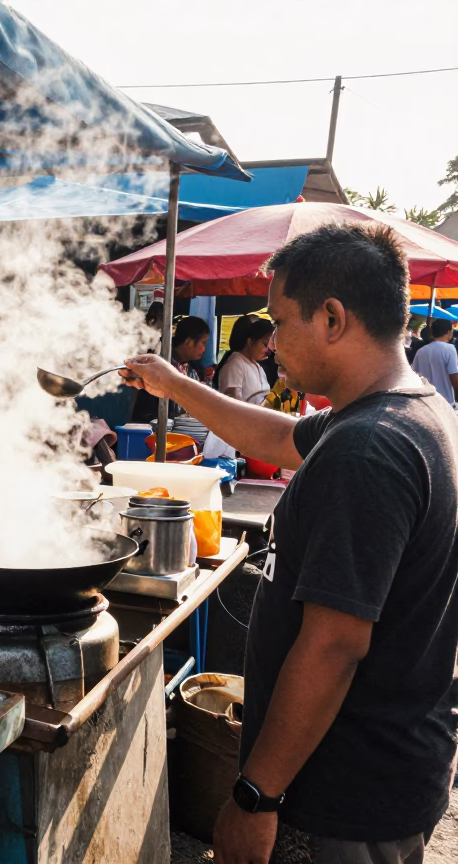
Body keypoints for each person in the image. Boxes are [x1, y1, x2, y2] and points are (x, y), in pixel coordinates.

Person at [121, 224, 458, 864]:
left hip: (343, 796)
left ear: (332, 317)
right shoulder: (407, 410)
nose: (272, 340)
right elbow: (279, 439)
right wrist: (174, 384)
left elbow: (334, 645)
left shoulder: (369, 448)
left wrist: (255, 796)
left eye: (280, 320)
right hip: (390, 767)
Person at [131, 315, 211, 422]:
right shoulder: (158, 368)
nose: (204, 349)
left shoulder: (192, 373)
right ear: (188, 342)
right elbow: (145, 414)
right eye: (203, 343)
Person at [215, 315, 276, 404]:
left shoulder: (257, 366)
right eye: (265, 345)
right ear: (250, 341)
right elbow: (233, 402)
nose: (268, 352)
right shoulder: (235, 364)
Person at [410, 317, 458, 404]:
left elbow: (414, 375)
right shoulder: (450, 349)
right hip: (445, 402)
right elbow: (454, 375)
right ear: (448, 332)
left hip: (425, 402)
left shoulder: (421, 351)